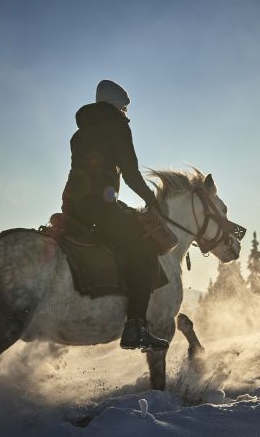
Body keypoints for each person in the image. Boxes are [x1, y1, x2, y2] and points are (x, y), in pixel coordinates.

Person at [61, 79, 169, 351]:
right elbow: (130, 173)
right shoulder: (117, 126)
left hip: (73, 205)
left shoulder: (80, 134)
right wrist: (150, 199)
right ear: (118, 107)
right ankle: (135, 327)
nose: (126, 114)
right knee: (143, 252)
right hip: (100, 206)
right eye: (124, 109)